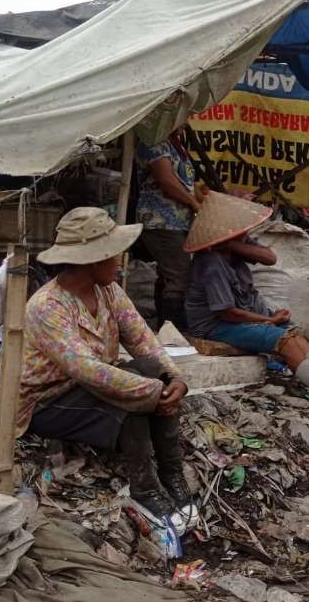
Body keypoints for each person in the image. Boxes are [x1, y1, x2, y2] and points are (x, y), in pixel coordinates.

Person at [20, 207, 190, 518]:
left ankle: (172, 473)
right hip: (48, 401)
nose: (120, 264)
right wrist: (151, 394)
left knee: (155, 376)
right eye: (113, 256)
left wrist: (173, 378)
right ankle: (145, 488)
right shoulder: (47, 306)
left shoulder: (108, 291)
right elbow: (85, 368)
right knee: (130, 402)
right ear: (92, 261)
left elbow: (141, 339)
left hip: (92, 385)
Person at [184, 192, 309, 411]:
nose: (246, 232)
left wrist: (230, 245)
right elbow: (227, 313)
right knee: (284, 339)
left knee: (294, 332)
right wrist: (268, 321)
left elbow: (270, 258)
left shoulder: (234, 248)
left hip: (241, 316)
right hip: (216, 326)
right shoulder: (212, 264)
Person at [135, 125, 202, 330]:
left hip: (178, 222)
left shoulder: (177, 145)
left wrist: (199, 200)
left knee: (170, 274)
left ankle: (164, 327)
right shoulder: (155, 142)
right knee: (179, 274)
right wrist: (193, 203)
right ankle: (173, 331)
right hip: (161, 221)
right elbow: (166, 181)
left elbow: (186, 183)